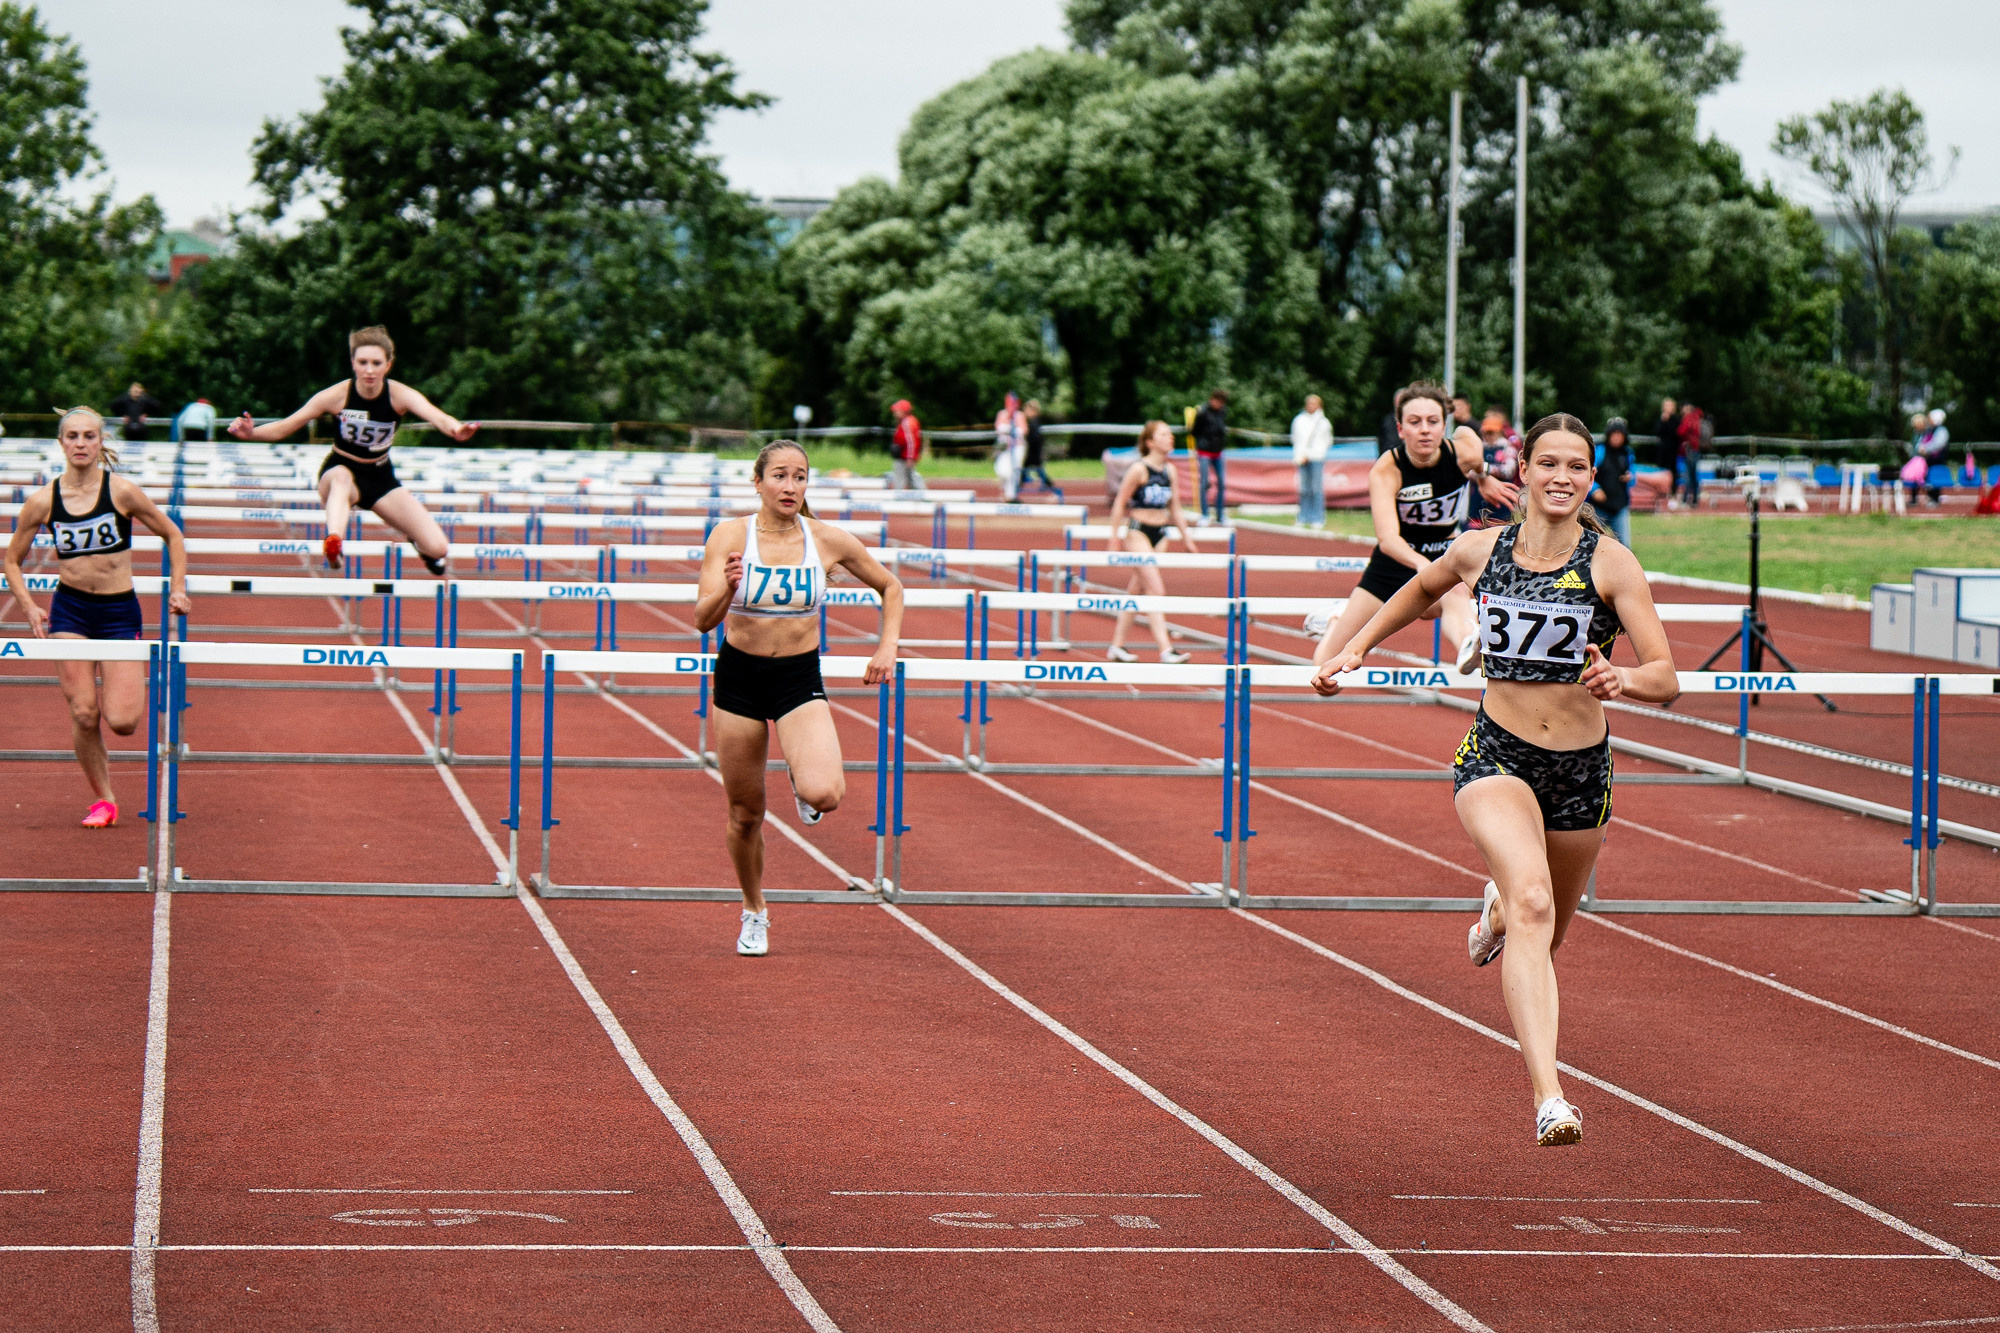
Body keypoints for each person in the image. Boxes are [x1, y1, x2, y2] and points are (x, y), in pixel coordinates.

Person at [1314, 413, 1679, 1146]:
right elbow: (1420, 588)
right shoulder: (1481, 548)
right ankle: (1551, 1098)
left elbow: (1666, 677)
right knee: (1534, 900)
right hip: (1497, 756)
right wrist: (1355, 648)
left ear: (1591, 478)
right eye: (1549, 463)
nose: (1561, 477)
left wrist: (1624, 679)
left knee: (1544, 934)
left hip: (1581, 772)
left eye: (1576, 466)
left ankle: (1496, 914)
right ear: (1524, 470)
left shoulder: (1612, 564)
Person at [695, 440, 905, 957]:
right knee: (746, 814)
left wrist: (886, 648)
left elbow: (891, 587)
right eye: (780, 476)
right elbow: (701, 619)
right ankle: (754, 910)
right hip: (739, 679)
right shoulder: (730, 535)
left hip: (797, 678)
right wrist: (728, 588)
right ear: (758, 482)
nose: (790, 486)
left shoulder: (826, 539)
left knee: (825, 794)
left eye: (800, 477)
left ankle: (800, 772)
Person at [3, 408, 192, 828]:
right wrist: (29, 606)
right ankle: (104, 799)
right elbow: (11, 561)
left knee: (123, 722)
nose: (81, 443)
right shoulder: (44, 501)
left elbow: (172, 534)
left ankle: (116, 721)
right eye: (72, 436)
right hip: (70, 611)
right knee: (84, 713)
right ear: (61, 442)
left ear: (101, 441)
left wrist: (178, 588)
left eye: (89, 436)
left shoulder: (121, 492)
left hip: (118, 611)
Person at [1308, 382, 1516, 677]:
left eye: (1433, 422)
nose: (1424, 430)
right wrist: (1420, 564)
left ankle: (1468, 644)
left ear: (1444, 426)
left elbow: (1466, 435)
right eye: (1415, 422)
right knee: (1323, 669)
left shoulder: (1462, 453)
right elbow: (1388, 539)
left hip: (1444, 555)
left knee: (1454, 593)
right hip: (1394, 563)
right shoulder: (1388, 469)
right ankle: (1336, 618)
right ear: (1401, 429)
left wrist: (1482, 475)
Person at [228, 326, 476, 574]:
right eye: (363, 362)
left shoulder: (399, 395)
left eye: (376, 363)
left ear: (388, 365)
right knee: (342, 477)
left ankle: (420, 545)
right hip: (340, 469)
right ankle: (334, 542)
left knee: (439, 548)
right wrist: (252, 433)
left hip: (380, 478)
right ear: (353, 363)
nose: (369, 370)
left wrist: (456, 429)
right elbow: (286, 426)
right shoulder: (335, 396)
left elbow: (437, 416)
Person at [1105, 420, 1197, 663]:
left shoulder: (1170, 471)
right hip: (1138, 532)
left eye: (1170, 434)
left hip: (1161, 534)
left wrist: (1187, 538)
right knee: (1155, 589)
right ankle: (1166, 649)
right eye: (1164, 434)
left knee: (1137, 589)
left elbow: (1175, 507)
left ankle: (1116, 646)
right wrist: (1114, 537)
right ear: (1150, 442)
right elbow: (1120, 501)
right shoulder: (1139, 469)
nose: (1170, 438)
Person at [1466, 409, 1520, 528]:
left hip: (1500, 501)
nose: (1488, 436)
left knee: (1499, 531)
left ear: (1499, 432)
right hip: (1478, 501)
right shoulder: (1478, 447)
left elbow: (1508, 470)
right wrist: (1481, 473)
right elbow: (1468, 470)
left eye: (1491, 433)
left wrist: (1483, 470)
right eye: (1486, 433)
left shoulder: (1507, 447)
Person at [1291, 394, 1333, 527]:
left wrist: (1313, 454)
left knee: (1316, 489)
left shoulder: (1323, 422)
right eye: (1308, 403)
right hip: (1301, 459)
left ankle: (1318, 518)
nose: (1310, 406)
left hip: (1316, 459)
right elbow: (1295, 438)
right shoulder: (1299, 420)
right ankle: (1303, 516)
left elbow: (1327, 441)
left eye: (1313, 403)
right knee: (1303, 489)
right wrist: (1300, 455)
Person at [1591, 418, 1634, 545]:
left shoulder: (1627, 453)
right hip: (1598, 508)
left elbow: (1633, 476)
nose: (1617, 437)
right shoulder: (1599, 450)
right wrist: (1595, 489)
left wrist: (1630, 477)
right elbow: (1588, 472)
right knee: (1591, 544)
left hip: (1619, 507)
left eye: (1620, 434)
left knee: (1625, 546)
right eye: (1614, 434)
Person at [1192, 390, 1229, 522]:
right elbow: (1194, 431)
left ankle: (1220, 515)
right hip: (1204, 452)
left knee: (1222, 483)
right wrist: (1201, 444)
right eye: (1218, 402)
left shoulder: (1222, 412)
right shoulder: (1202, 412)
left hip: (1218, 452)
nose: (1220, 405)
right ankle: (1204, 514)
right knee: (1204, 483)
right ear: (1213, 400)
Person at [1907, 410, 1949, 507]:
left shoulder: (1941, 430)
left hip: (1936, 460)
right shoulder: (1929, 430)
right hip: (1925, 460)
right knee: (1921, 480)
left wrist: (1925, 449)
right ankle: (1920, 498)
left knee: (1934, 479)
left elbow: (1938, 444)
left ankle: (1934, 498)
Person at [994, 392, 1027, 502]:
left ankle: (1011, 495)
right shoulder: (1002, 414)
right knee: (1002, 470)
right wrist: (1008, 429)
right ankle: (1005, 492)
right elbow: (999, 428)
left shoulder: (1020, 415)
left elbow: (1024, 430)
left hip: (1017, 447)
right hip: (1005, 448)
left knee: (1014, 471)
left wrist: (1013, 430)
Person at [1019, 399, 1057, 495]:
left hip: (1033, 451)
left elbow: (1036, 438)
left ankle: (1018, 486)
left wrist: (1029, 445)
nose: (1025, 412)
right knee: (1035, 469)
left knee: (1026, 468)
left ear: (1033, 410)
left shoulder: (1034, 423)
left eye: (1026, 410)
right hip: (1035, 451)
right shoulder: (1034, 422)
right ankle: (1047, 483)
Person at [889, 399, 924, 493]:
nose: (894, 412)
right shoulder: (906, 421)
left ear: (903, 411)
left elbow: (911, 442)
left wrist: (910, 457)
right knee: (909, 477)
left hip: (904, 457)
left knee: (902, 478)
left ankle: (900, 496)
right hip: (904, 455)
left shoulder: (907, 423)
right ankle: (917, 494)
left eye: (897, 410)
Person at [1677, 404, 1705, 508]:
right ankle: (1695, 499)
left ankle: (1686, 499)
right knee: (1693, 475)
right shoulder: (1697, 418)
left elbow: (1681, 431)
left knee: (1688, 476)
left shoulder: (1689, 418)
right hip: (1695, 449)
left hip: (1690, 450)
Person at [1655, 398, 1683, 483]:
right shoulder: (1661, 419)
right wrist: (1663, 421)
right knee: (1661, 469)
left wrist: (1668, 421)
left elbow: (1675, 433)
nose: (1667, 408)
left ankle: (1673, 488)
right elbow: (1658, 431)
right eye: (1666, 406)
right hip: (1662, 449)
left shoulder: (1677, 419)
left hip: (1673, 449)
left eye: (1669, 405)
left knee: (1672, 470)